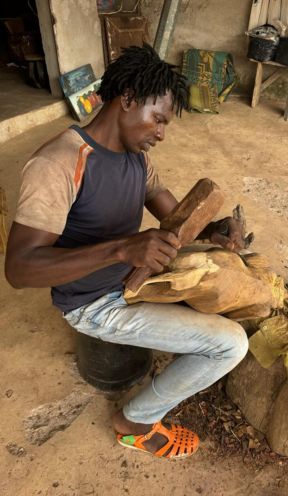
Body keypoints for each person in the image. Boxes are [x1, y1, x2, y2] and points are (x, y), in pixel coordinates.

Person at [5, 44, 249, 459]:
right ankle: (135, 421)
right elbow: (20, 269)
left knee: (231, 286)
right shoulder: (59, 163)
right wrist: (121, 249)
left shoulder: (137, 160)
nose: (161, 133)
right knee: (231, 344)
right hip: (92, 302)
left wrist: (216, 230)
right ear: (128, 99)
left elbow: (177, 220)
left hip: (134, 282)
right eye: (157, 119)